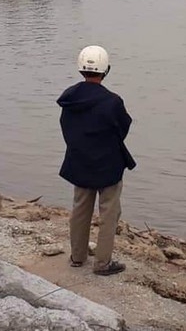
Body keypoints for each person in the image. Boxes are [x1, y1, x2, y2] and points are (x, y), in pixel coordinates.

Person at [57, 45, 136, 275]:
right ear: (106, 70)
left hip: (79, 160)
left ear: (80, 68)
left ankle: (77, 256)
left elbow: (66, 127)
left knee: (80, 210)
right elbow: (123, 127)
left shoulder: (69, 98)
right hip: (108, 164)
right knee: (109, 214)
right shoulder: (112, 102)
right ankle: (102, 263)